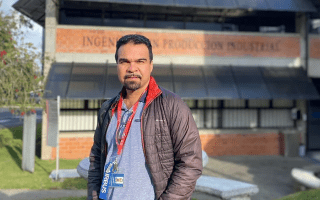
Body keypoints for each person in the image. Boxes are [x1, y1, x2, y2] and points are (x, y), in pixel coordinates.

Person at [87, 34, 202, 200]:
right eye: (124, 61)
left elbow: (190, 163)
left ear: (151, 65)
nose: (132, 68)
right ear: (117, 65)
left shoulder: (172, 106)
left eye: (140, 61)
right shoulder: (107, 109)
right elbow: (96, 160)